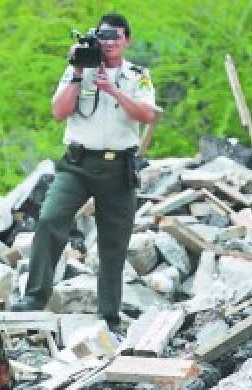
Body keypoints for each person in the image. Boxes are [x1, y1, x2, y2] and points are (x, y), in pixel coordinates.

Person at [12, 13, 158, 332]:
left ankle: (108, 313)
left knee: (113, 241)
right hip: (78, 164)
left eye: (115, 37)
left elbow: (147, 115)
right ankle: (34, 296)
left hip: (119, 167)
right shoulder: (79, 67)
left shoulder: (137, 75)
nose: (108, 43)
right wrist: (79, 74)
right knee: (51, 219)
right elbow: (58, 112)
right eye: (103, 37)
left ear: (126, 40)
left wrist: (114, 91)